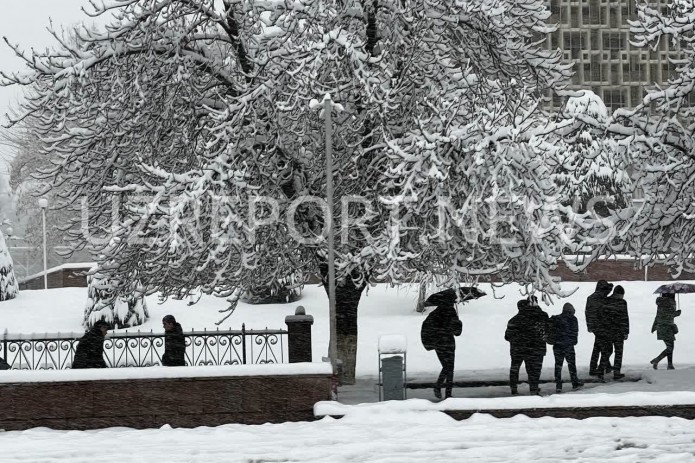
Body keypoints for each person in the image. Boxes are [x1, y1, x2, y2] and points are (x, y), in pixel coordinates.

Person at [505, 298, 549, 396]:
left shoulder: (513, 320)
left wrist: (517, 340)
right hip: (533, 349)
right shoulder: (537, 317)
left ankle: (514, 388)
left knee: (514, 369)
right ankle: (534, 388)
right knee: (533, 370)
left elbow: (507, 336)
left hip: (517, 350)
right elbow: (545, 327)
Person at [420, 298, 462, 399]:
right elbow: (457, 332)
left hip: (438, 345)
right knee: (449, 368)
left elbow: (426, 328)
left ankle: (439, 387)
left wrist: (431, 343)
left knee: (446, 367)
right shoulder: (451, 313)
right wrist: (459, 323)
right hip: (449, 344)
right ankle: (446, 393)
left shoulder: (434, 314)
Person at [550, 303, 583, 392]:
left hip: (557, 346)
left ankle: (558, 385)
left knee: (558, 365)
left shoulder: (556, 319)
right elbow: (575, 333)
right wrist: (572, 342)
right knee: (571, 365)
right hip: (568, 346)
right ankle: (574, 383)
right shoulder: (573, 319)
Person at [585, 280, 613, 376]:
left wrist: (589, 325)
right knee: (607, 348)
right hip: (602, 327)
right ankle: (600, 368)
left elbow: (587, 312)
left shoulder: (591, 298)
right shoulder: (601, 299)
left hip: (595, 327)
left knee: (598, 347)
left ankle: (600, 367)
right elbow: (602, 313)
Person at [602, 285, 629, 380]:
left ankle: (604, 367)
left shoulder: (606, 301)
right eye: (622, 295)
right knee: (618, 352)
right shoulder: (622, 303)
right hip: (618, 331)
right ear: (619, 294)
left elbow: (603, 317)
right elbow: (625, 318)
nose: (622, 297)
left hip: (608, 331)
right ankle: (616, 372)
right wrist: (626, 331)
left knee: (607, 350)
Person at [651, 293, 681, 370]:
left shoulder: (660, 303)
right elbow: (670, 315)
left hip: (661, 327)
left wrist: (654, 326)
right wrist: (677, 313)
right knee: (670, 347)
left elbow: (658, 315)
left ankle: (669, 365)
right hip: (667, 328)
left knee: (670, 346)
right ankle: (658, 360)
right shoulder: (670, 303)